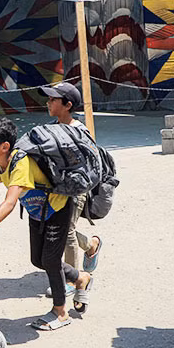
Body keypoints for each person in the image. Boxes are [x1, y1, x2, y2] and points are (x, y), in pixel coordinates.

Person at [0, 118, 93, 331]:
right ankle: (81, 277)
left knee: (50, 260)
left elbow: (9, 202)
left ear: (4, 146)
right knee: (38, 260)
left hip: (58, 208)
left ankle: (60, 312)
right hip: (37, 211)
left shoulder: (20, 162)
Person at [38, 83, 103, 298]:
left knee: (67, 233)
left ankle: (72, 279)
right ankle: (92, 244)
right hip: (56, 190)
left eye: (53, 100)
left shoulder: (80, 132)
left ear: (67, 105)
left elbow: (91, 167)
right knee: (63, 230)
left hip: (75, 190)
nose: (48, 102)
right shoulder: (52, 128)